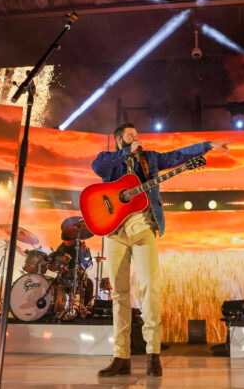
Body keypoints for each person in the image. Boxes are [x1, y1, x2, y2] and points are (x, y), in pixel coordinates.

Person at [92, 123, 228, 377]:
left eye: (137, 134)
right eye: (130, 134)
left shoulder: (150, 159)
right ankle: (121, 357)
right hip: (115, 232)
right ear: (119, 138)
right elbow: (98, 167)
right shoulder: (109, 159)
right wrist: (126, 153)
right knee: (119, 295)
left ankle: (153, 354)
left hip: (143, 227)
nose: (136, 137)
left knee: (150, 289)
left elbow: (177, 155)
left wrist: (206, 146)